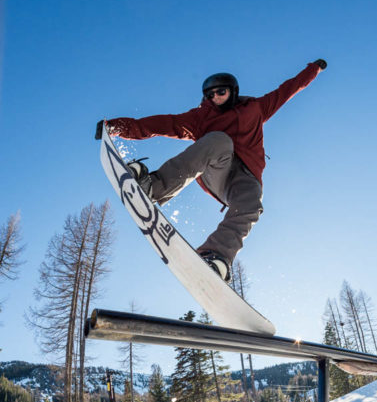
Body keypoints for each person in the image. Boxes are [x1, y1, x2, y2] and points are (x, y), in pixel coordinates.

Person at [96, 59, 327, 282]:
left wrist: (314, 69)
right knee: (219, 140)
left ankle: (216, 257)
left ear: (233, 91)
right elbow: (159, 124)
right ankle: (152, 187)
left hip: (245, 179)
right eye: (210, 95)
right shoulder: (200, 118)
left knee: (253, 202)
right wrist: (116, 127)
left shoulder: (256, 108)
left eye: (220, 92)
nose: (215, 98)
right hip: (217, 171)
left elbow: (288, 89)